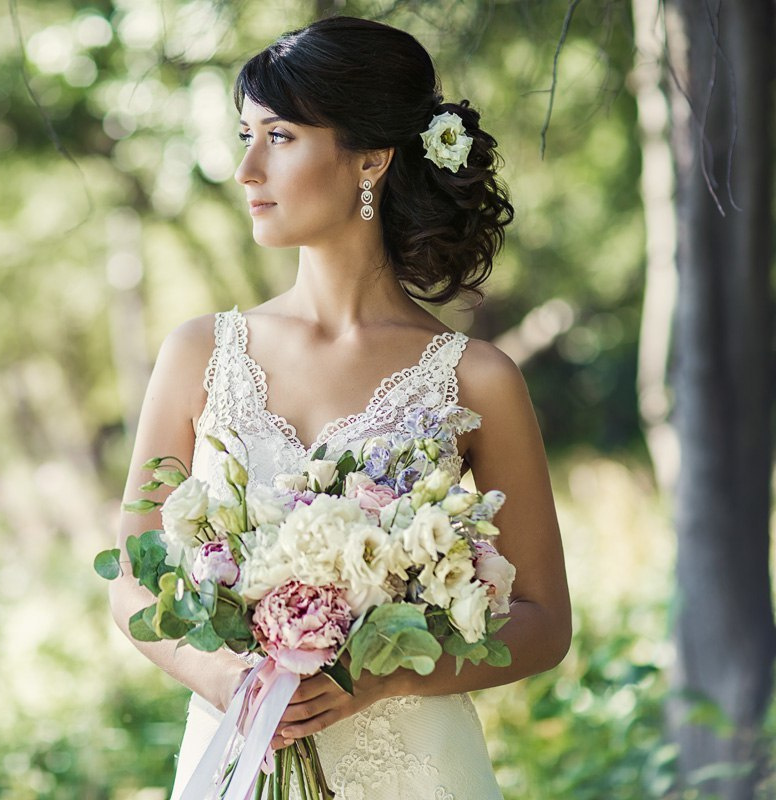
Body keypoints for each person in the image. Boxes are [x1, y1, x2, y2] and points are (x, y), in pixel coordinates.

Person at [107, 16, 571, 799]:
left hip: (417, 769)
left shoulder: (479, 380)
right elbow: (130, 579)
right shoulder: (198, 355)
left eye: (280, 136)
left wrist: (385, 678)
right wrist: (220, 679)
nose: (248, 168)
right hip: (237, 752)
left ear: (372, 158)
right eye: (246, 134)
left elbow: (543, 622)